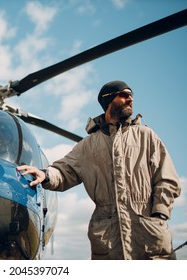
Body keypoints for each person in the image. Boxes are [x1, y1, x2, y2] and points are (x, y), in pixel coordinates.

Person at [17, 80, 181, 260]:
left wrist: (159, 214)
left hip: (149, 234)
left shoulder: (146, 136)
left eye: (131, 95)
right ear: (108, 100)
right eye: (124, 95)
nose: (130, 99)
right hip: (107, 239)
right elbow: (64, 171)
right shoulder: (88, 145)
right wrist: (45, 174)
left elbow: (167, 179)